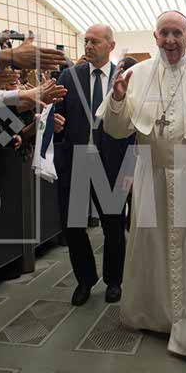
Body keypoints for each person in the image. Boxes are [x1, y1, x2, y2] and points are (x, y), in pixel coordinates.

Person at [97, 11, 186, 363]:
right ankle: (157, 316)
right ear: (155, 37)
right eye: (164, 33)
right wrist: (117, 100)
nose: (171, 40)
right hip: (152, 175)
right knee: (153, 249)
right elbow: (116, 130)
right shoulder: (135, 75)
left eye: (177, 33)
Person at [53, 24, 133, 306]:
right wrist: (55, 122)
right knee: (74, 226)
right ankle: (85, 279)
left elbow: (132, 123)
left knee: (114, 226)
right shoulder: (69, 76)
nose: (88, 46)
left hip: (112, 163)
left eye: (94, 42)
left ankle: (114, 281)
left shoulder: (123, 78)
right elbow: (58, 112)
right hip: (76, 160)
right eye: (86, 41)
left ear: (111, 46)